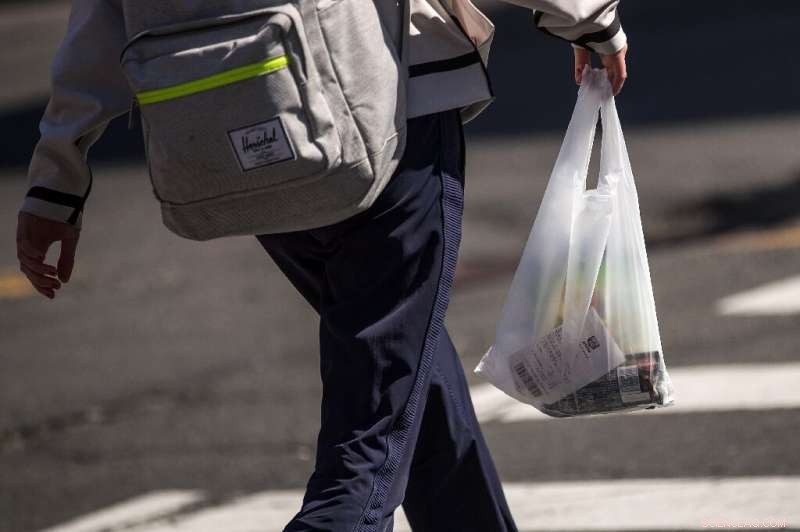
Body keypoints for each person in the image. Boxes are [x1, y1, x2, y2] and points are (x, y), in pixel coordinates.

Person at [15, 1, 628, 530]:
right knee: (367, 448)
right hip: (386, 126)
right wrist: (591, 20)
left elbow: (98, 21)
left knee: (408, 377)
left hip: (245, 139)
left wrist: (57, 177)